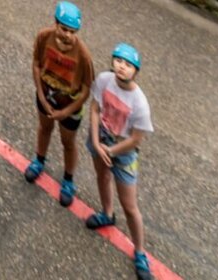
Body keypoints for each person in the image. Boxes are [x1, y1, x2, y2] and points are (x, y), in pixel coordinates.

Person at [85, 43, 154, 280]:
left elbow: (135, 139)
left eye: (128, 65)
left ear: (136, 71)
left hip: (122, 151)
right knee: (102, 177)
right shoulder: (104, 80)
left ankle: (140, 252)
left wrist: (111, 150)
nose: (122, 67)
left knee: (130, 206)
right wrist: (95, 142)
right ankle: (106, 213)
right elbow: (94, 109)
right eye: (119, 61)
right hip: (101, 140)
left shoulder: (140, 103)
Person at [23, 1, 94, 207]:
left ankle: (68, 180)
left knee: (68, 142)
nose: (68, 36)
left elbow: (86, 88)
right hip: (46, 95)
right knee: (44, 128)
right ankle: (39, 161)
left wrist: (67, 112)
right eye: (64, 29)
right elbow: (36, 64)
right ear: (55, 24)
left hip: (69, 105)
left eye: (73, 32)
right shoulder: (44, 37)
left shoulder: (83, 55)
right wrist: (41, 96)